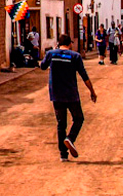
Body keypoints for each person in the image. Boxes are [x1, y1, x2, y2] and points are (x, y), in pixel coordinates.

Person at [40, 34, 97, 162]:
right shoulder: (75, 56)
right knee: (79, 118)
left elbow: (42, 66)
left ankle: (63, 155)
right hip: (71, 95)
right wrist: (92, 91)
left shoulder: (51, 54)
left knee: (61, 124)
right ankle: (70, 138)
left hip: (56, 94)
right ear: (70, 44)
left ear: (58, 44)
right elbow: (84, 75)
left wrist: (53, 52)